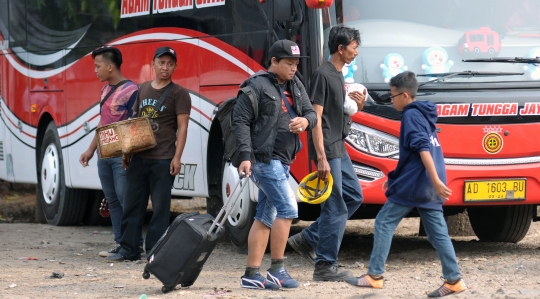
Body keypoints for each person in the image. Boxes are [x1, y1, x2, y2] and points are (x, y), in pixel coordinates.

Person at [344, 71, 467, 297]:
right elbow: (411, 155)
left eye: (393, 95)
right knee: (438, 233)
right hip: (425, 184)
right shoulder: (424, 114)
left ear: (405, 95)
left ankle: (375, 276)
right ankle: (454, 280)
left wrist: (436, 181)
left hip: (417, 184)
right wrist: (395, 179)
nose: (391, 100)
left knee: (384, 221)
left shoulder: (411, 115)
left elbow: (422, 149)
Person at [233, 39, 317, 290]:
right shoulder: (255, 86)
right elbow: (240, 122)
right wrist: (245, 156)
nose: (294, 68)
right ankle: (277, 269)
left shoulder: (295, 85)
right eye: (289, 63)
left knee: (265, 216)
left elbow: (311, 113)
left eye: (296, 63)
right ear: (273, 62)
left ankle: (251, 274)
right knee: (288, 209)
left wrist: (304, 122)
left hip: (284, 160)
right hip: (263, 159)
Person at [287, 25, 366, 281]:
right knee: (336, 208)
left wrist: (357, 108)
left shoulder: (339, 74)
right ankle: (324, 266)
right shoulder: (323, 75)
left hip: (339, 147)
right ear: (341, 48)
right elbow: (316, 119)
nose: (356, 51)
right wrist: (320, 157)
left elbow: (338, 114)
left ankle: (308, 237)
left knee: (354, 196)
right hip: (328, 151)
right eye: (353, 47)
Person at [106, 46, 191, 262]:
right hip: (139, 158)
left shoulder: (179, 93)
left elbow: (182, 128)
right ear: (152, 64)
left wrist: (177, 157)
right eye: (161, 62)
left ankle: (155, 250)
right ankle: (129, 248)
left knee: (161, 208)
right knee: (133, 204)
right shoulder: (142, 89)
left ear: (175, 67)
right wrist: (127, 152)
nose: (165, 67)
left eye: (170, 63)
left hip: (163, 160)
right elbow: (133, 123)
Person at [79, 46, 139, 257]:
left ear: (110, 66)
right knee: (112, 200)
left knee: (126, 200)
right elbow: (102, 124)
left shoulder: (132, 90)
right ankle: (121, 244)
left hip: (121, 157)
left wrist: (127, 154)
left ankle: (134, 246)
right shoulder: (105, 90)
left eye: (98, 66)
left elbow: (135, 125)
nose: (95, 70)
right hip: (103, 155)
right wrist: (89, 150)